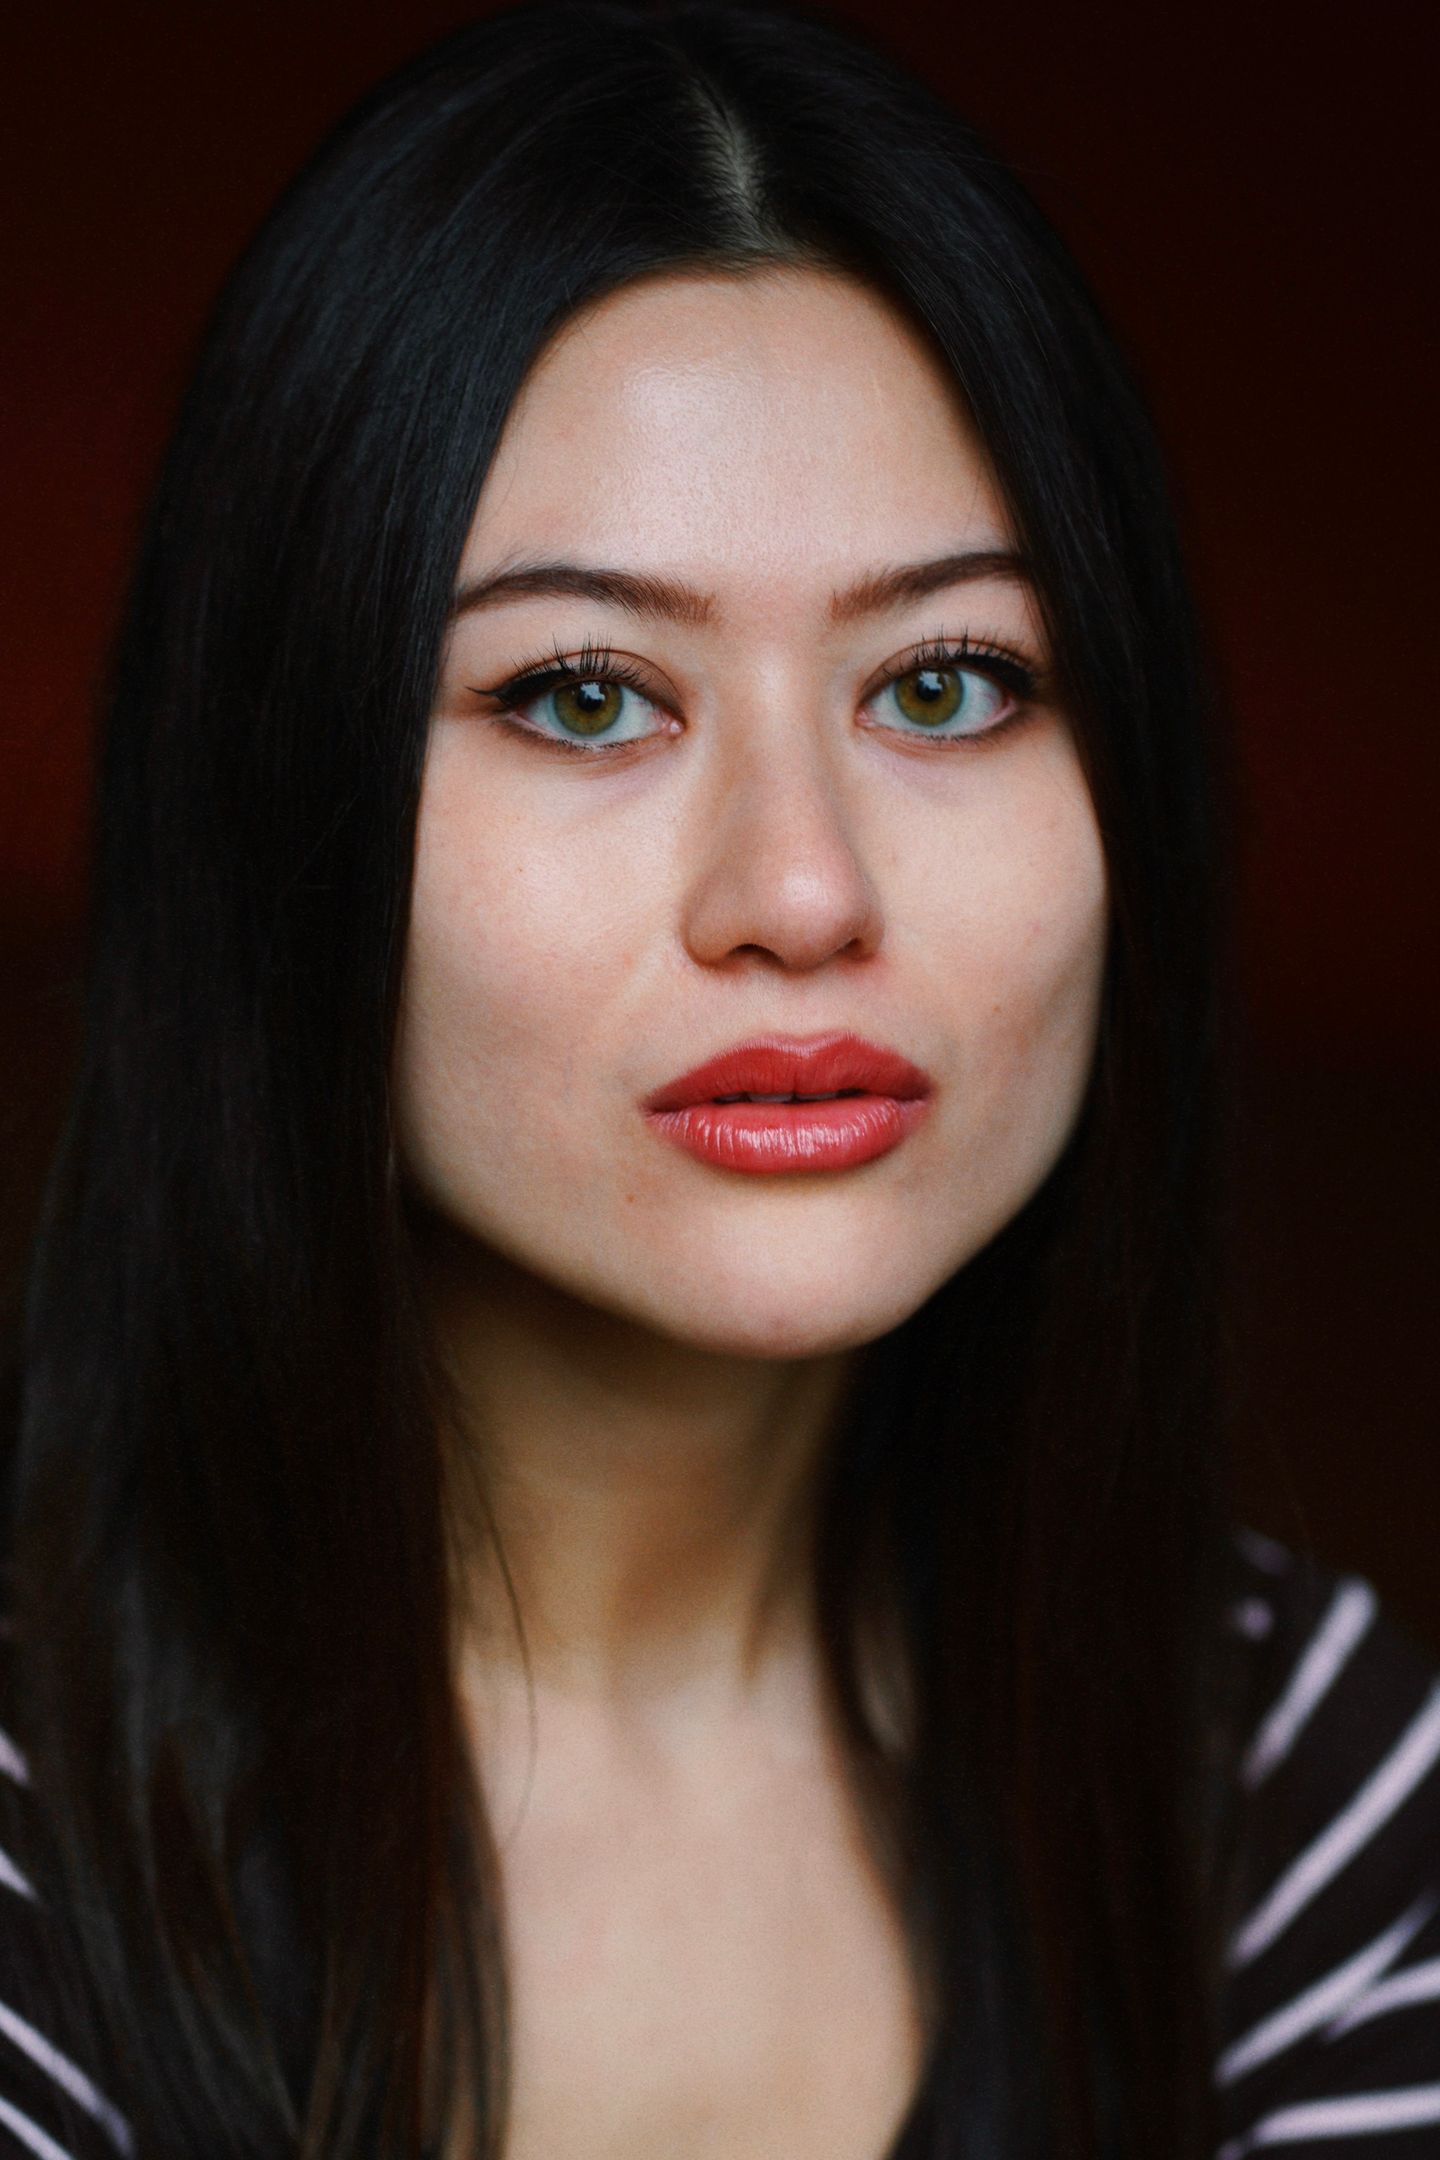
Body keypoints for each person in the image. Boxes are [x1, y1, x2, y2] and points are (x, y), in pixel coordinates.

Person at [1, 2, 1437, 2156]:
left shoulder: (1299, 1792)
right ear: (269, 792)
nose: (801, 889)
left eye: (948, 684)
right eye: (587, 694)